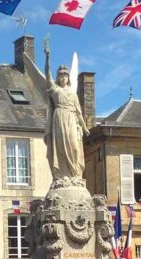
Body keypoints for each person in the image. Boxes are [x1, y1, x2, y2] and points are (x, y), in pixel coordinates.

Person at [43, 37, 88, 183]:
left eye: (65, 75)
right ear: (58, 77)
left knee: (74, 147)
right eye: (61, 75)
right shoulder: (54, 89)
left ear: (68, 77)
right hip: (59, 118)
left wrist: (85, 127)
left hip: (71, 118)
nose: (63, 77)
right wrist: (48, 57)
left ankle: (75, 174)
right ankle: (62, 176)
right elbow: (47, 75)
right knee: (60, 148)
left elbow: (79, 112)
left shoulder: (73, 93)